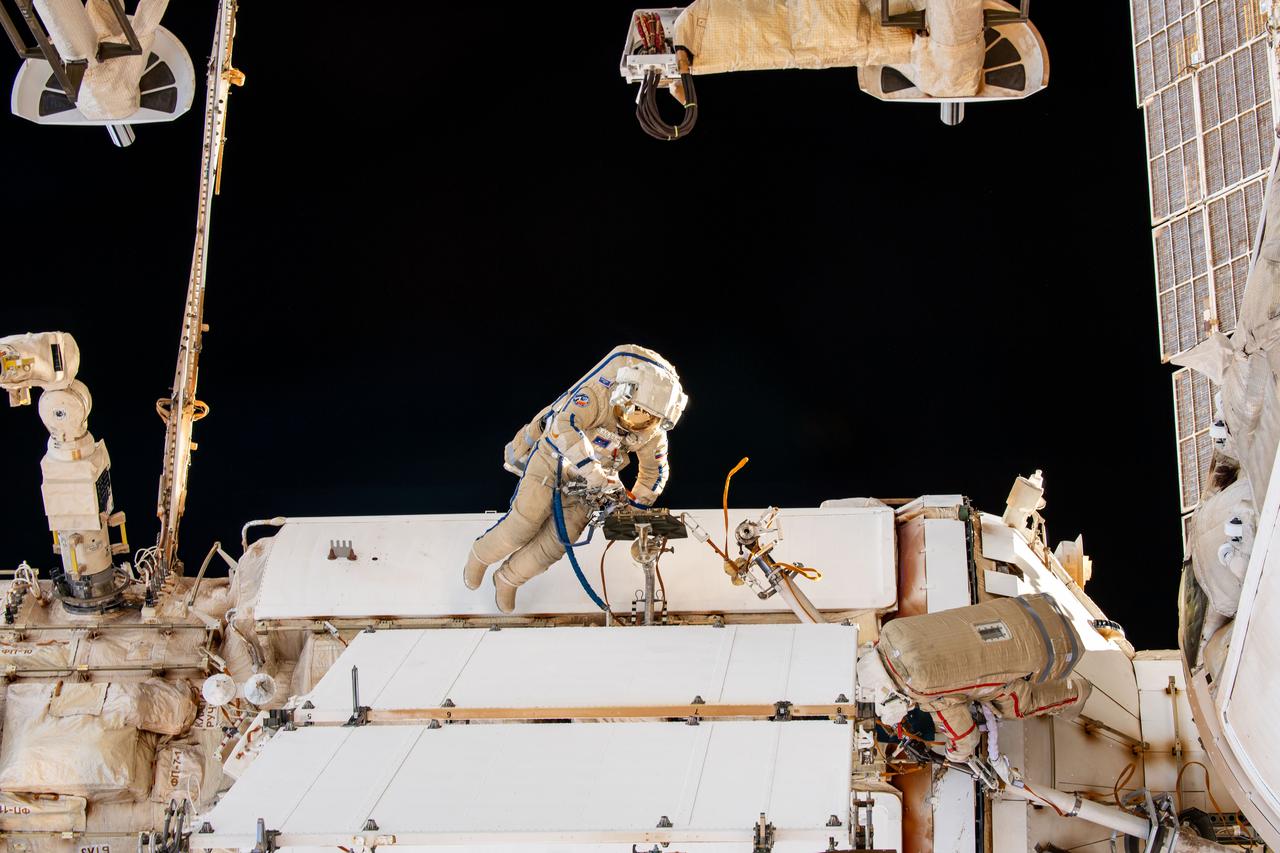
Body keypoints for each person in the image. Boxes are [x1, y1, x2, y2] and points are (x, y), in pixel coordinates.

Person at [463, 345, 688, 613]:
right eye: (633, 411)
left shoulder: (653, 433)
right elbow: (564, 427)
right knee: (523, 524)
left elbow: (655, 473)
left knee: (556, 544)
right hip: (553, 460)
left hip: (592, 486)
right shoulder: (597, 393)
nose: (635, 422)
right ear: (624, 392)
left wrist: (634, 506)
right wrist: (595, 473)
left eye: (647, 418)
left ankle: (507, 579)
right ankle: (479, 556)